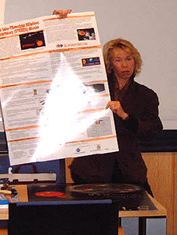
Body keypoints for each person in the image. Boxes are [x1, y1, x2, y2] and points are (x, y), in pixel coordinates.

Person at [53, 10, 163, 196]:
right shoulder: (93, 87)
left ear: (136, 62)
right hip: (91, 171)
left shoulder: (146, 95)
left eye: (129, 59)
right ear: (110, 64)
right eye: (119, 60)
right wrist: (62, 23)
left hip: (128, 172)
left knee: (146, 212)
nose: (125, 65)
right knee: (94, 223)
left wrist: (126, 116)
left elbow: (151, 132)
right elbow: (67, 61)